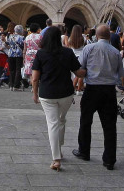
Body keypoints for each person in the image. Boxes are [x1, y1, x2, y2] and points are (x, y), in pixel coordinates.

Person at [32, 26, 85, 171]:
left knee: (53, 123)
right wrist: (89, 70)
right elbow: (78, 73)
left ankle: (56, 158)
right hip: (66, 94)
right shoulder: (67, 52)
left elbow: (35, 78)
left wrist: (35, 94)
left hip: (47, 94)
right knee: (61, 120)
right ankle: (59, 149)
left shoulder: (41, 54)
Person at [73, 24, 123, 170]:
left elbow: (81, 68)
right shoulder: (115, 52)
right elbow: (121, 74)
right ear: (109, 36)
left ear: (97, 36)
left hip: (92, 89)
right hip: (109, 91)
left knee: (85, 121)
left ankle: (84, 151)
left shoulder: (89, 48)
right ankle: (109, 159)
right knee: (109, 126)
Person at [6, 24, 25, 91]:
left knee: (11, 70)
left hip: (10, 54)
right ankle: (16, 86)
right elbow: (23, 46)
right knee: (18, 70)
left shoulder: (10, 36)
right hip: (19, 55)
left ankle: (11, 85)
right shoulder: (22, 37)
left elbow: (7, 44)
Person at [67, 25, 86, 94]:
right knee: (81, 74)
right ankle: (79, 89)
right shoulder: (83, 38)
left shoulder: (70, 39)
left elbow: (69, 47)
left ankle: (73, 88)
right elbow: (85, 46)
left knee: (75, 74)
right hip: (81, 56)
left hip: (73, 56)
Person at [22, 23, 42, 88]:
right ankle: (36, 85)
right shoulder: (40, 36)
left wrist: (24, 57)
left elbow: (25, 48)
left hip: (28, 55)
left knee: (31, 71)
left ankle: (33, 86)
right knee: (38, 69)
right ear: (37, 29)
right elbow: (43, 46)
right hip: (38, 54)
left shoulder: (27, 37)